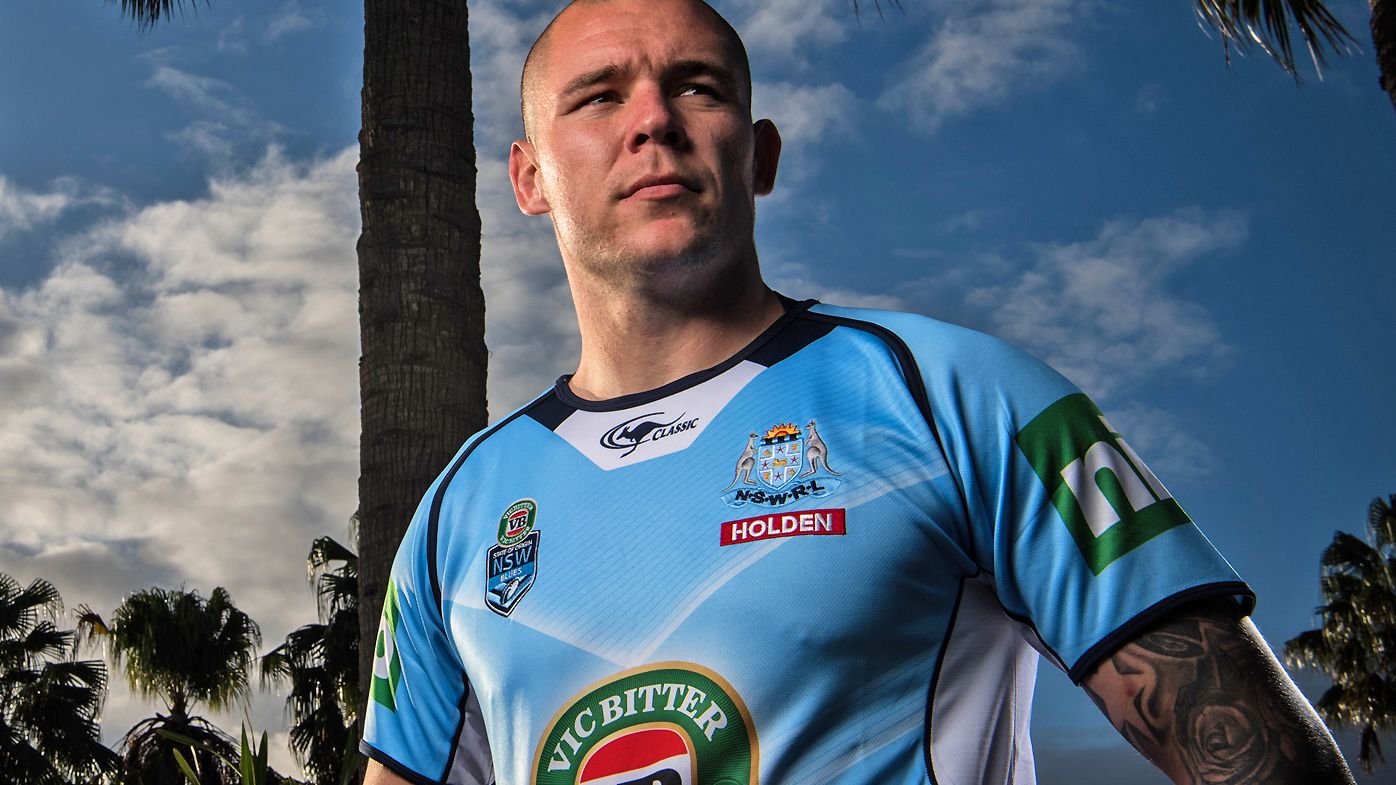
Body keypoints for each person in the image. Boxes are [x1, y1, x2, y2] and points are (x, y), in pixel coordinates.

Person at [360, 1, 1355, 783]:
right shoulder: (459, 513)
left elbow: (1264, 760)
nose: (653, 121)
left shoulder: (956, 397)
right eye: (598, 97)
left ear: (760, 155)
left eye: (696, 88)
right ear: (530, 178)